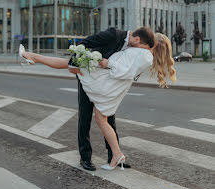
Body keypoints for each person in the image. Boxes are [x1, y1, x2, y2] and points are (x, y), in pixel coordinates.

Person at [20, 32, 176, 171]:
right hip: (99, 76)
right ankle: (88, 158)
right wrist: (80, 62)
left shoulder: (143, 53)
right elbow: (88, 42)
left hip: (103, 80)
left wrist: (109, 64)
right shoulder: (119, 37)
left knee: (104, 120)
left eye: (150, 43)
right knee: (87, 117)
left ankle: (115, 155)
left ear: (154, 45)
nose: (145, 44)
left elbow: (125, 69)